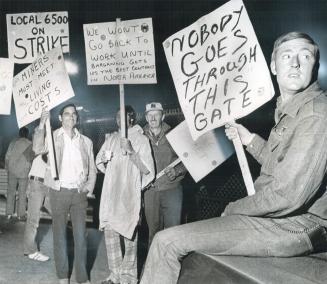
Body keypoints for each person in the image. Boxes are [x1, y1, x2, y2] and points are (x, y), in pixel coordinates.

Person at [140, 31, 327, 284]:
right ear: (273, 66)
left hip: (296, 226)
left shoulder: (315, 114)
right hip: (291, 222)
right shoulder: (295, 109)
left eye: (305, 56)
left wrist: (233, 209)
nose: (295, 63)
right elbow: (282, 165)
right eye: (287, 55)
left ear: (314, 66)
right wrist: (249, 139)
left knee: (166, 241)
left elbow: (288, 195)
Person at [33, 104, 97, 284]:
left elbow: (92, 169)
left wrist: (88, 187)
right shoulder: (52, 137)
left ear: (77, 118)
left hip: (78, 194)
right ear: (60, 118)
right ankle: (63, 277)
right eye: (67, 114)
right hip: (58, 192)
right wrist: (41, 124)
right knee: (59, 237)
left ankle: (83, 278)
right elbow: (37, 149)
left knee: (81, 238)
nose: (71, 117)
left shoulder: (86, 141)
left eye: (73, 114)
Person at [96, 106, 155, 284]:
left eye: (123, 117)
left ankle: (128, 278)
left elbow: (148, 171)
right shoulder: (112, 138)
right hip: (112, 193)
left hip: (128, 195)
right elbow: (100, 162)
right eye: (117, 117)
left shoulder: (141, 140)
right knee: (110, 233)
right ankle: (115, 275)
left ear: (132, 118)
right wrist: (104, 160)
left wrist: (131, 151)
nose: (119, 120)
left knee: (130, 236)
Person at [143, 102, 187, 246]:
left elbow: (188, 159)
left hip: (172, 190)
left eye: (156, 114)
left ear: (163, 116)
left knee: (173, 232)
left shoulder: (174, 135)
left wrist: (177, 170)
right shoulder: (140, 137)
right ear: (146, 117)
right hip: (150, 191)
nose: (153, 118)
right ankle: (153, 267)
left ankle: (172, 266)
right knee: (153, 233)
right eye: (150, 115)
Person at [23, 154, 51, 262]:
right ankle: (31, 251)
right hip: (38, 183)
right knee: (33, 220)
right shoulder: (49, 148)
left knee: (58, 213)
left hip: (42, 183)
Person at [5, 127, 34, 220]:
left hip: (12, 171)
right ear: (27, 134)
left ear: (19, 134)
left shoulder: (13, 143)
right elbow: (31, 160)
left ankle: (9, 213)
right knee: (22, 193)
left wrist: (7, 168)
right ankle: (20, 215)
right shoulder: (30, 144)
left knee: (10, 192)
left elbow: (7, 157)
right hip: (24, 172)